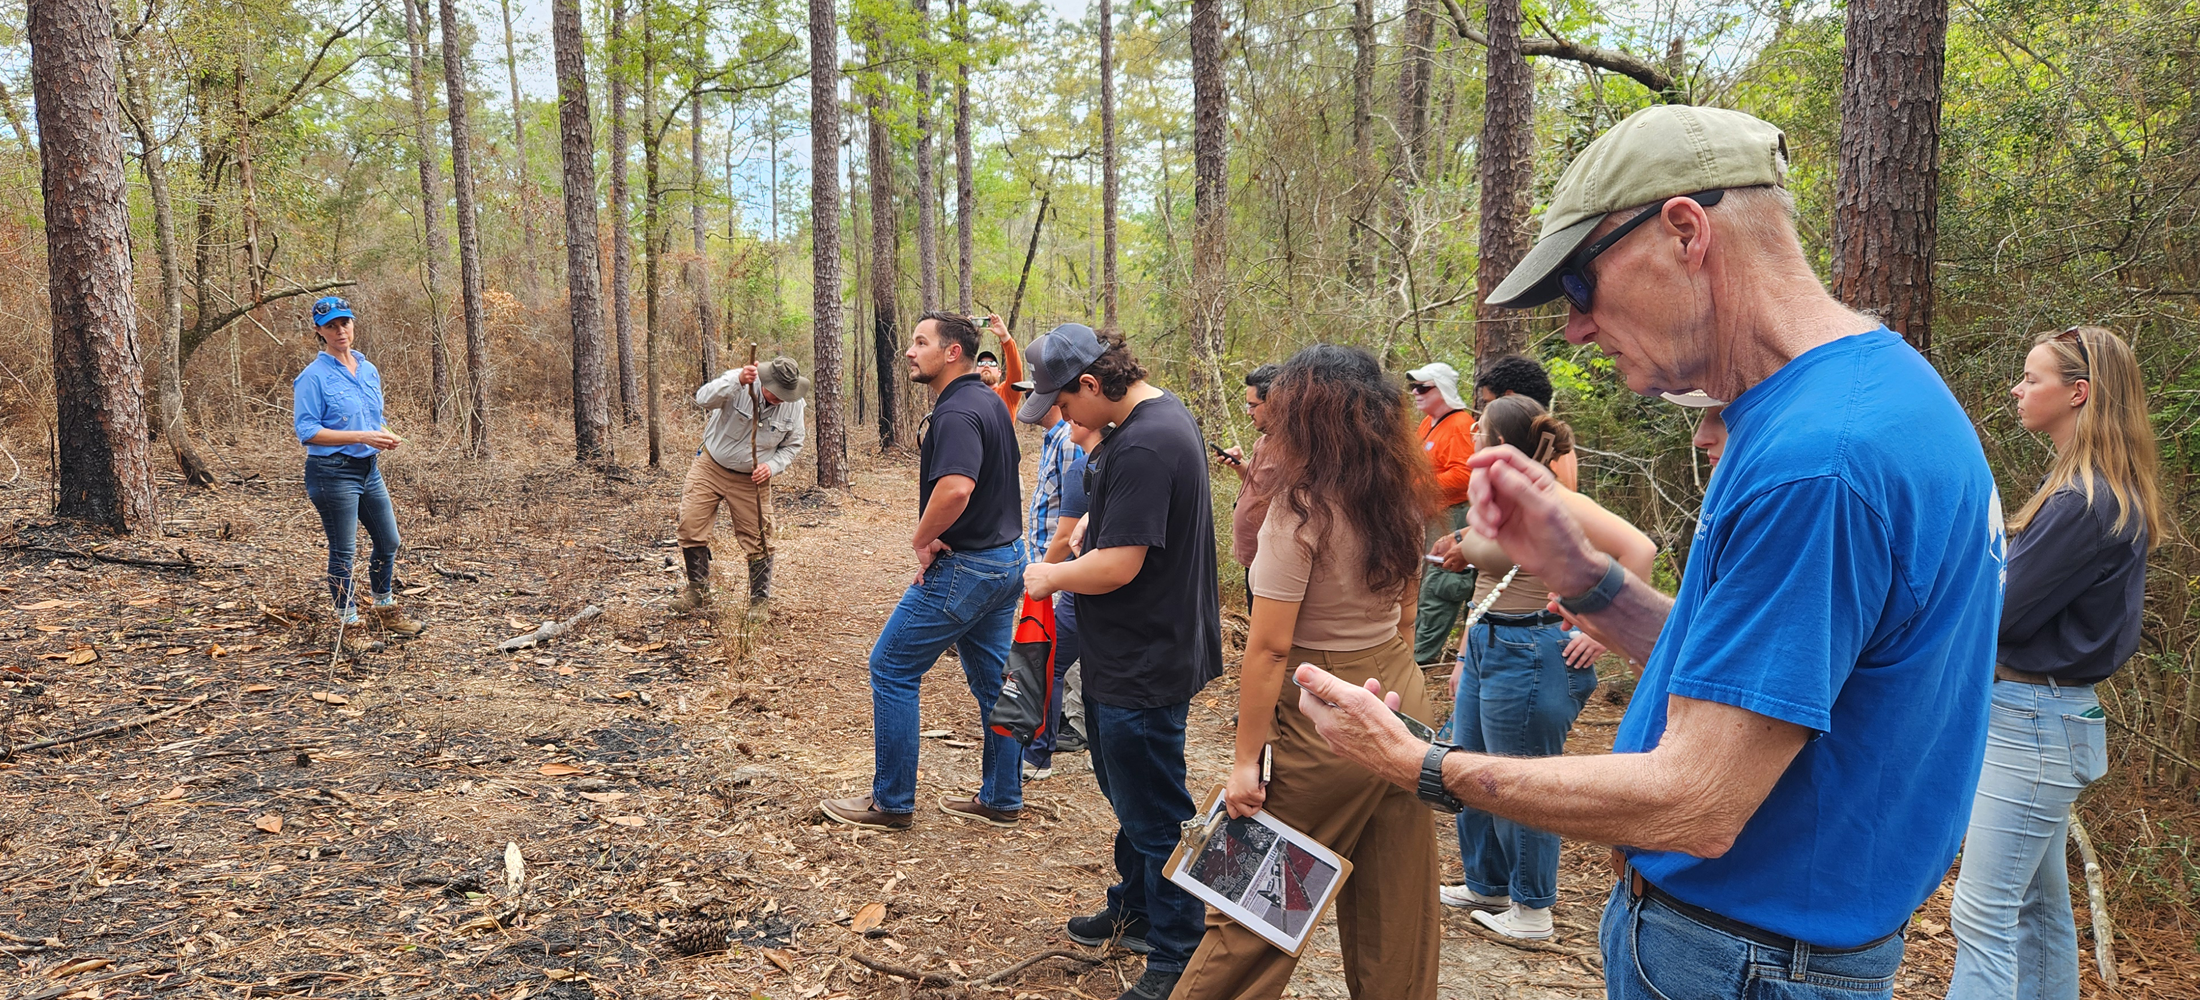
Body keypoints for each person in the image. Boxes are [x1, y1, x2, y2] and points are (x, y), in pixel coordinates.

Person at [1293, 104, 2002, 1000]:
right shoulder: (1876, 392)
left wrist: (1419, 765)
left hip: (1742, 959)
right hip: (1771, 946)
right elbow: (1764, 676)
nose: (1575, 328)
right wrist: (1584, 579)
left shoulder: (1817, 462)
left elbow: (1698, 801)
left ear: (1684, 231)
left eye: (1580, 285)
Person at [1173, 344, 1443, 1000]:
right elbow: (1407, 617)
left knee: (1251, 911)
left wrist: (1246, 762)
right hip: (1401, 697)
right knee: (1397, 908)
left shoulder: (1300, 509)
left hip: (1323, 712)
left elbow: (1269, 650)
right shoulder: (1401, 495)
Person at [1947, 325, 2160, 1000]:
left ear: (2078, 393)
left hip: (2033, 724)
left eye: (2031, 378)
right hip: (2043, 719)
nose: (2017, 389)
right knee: (2037, 915)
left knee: (1981, 919)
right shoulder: (2091, 491)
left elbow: (1999, 616)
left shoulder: (2082, 502)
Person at [1020, 326, 1221, 1000]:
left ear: (1090, 383)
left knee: (1155, 809)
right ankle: (1135, 908)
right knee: (1129, 792)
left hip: (1146, 658)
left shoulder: (1144, 442)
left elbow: (1120, 565)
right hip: (1129, 652)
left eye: (1064, 403)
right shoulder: (1146, 424)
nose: (1063, 417)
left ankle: (1178, 953)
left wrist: (1050, 576)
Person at [1435, 395, 1655, 939]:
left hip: (1530, 650)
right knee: (1471, 768)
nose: (1472, 434)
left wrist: (1598, 632)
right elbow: (1487, 582)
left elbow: (1640, 549)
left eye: (1481, 429)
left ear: (1501, 443)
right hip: (1487, 641)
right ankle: (1486, 883)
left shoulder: (1552, 498)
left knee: (1520, 780)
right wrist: (1464, 653)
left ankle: (1532, 908)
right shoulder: (1496, 499)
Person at [821, 313, 1027, 831]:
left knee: (891, 666)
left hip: (969, 566)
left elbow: (957, 488)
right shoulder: (989, 401)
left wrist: (922, 537)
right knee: (995, 683)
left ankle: (890, 803)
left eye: (921, 342)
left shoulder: (957, 411)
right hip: (1006, 561)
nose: (910, 352)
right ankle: (1002, 798)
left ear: (952, 352)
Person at [291, 296, 424, 652]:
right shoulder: (312, 377)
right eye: (331, 326)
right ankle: (348, 626)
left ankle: (385, 609)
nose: (340, 331)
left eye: (345, 323)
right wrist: (361, 436)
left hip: (368, 469)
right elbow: (307, 431)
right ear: (319, 330)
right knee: (344, 552)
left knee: (389, 540)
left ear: (352, 324)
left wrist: (384, 434)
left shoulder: (368, 369)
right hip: (331, 473)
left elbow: (370, 418)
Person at [1013, 328, 1092, 779]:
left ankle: (1042, 748)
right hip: (1050, 567)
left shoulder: (1071, 446)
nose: (1034, 402)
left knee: (1051, 661)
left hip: (1060, 572)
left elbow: (1067, 523)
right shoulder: (1053, 441)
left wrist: (1045, 573)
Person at [672, 357, 808, 616]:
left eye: (786, 394)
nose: (781, 398)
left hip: (752, 479)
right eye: (776, 392)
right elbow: (703, 398)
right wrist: (737, 381)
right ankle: (698, 594)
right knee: (690, 524)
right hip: (711, 466)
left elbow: (793, 445)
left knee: (760, 538)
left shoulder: (794, 405)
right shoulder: (739, 380)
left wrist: (773, 466)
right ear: (765, 381)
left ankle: (759, 602)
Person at [1405, 361, 1479, 666]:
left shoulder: (1460, 424)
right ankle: (1414, 651)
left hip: (1453, 517)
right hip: (1428, 516)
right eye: (1413, 387)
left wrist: (1418, 486)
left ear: (1443, 390)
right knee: (1424, 583)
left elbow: (1464, 475)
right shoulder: (1428, 423)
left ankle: (1421, 657)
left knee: (1441, 585)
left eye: (1423, 387)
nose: (1416, 393)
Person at [1474, 354, 1580, 490]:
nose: (1485, 412)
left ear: (1509, 397)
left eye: (1489, 403)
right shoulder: (1554, 441)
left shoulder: (1534, 451)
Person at [973, 314, 1024, 412]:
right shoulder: (969, 395)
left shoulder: (1007, 393)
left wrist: (1005, 337)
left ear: (999, 372)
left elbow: (1016, 369)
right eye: (981, 363)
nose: (986, 365)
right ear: (975, 371)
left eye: (992, 363)